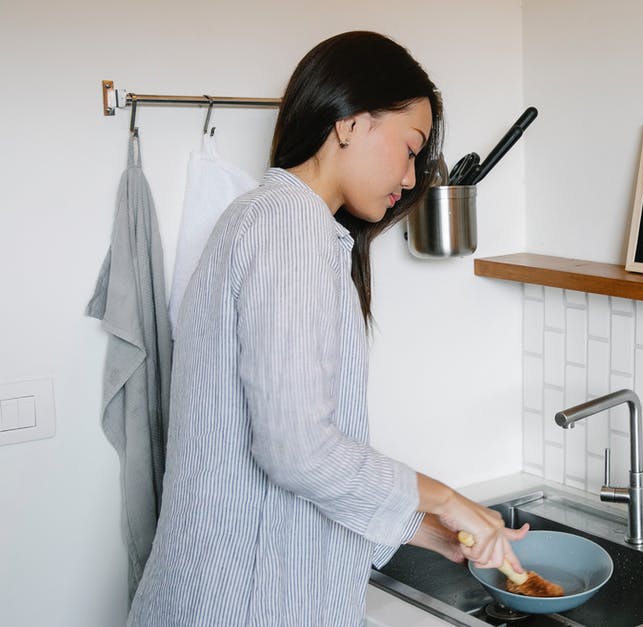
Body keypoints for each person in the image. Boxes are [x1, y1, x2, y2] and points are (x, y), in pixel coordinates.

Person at [127, 31, 527, 626]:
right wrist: (447, 499)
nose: (414, 178)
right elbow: (297, 450)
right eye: (411, 148)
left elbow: (286, 465)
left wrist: (423, 528)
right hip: (248, 602)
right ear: (350, 124)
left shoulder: (272, 220)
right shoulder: (290, 230)